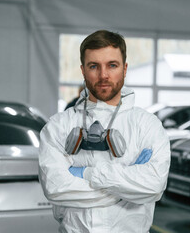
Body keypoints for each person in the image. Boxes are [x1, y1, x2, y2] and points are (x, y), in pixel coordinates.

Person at [38, 30, 170, 233]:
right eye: (94, 66)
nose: (103, 75)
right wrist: (127, 190)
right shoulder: (58, 126)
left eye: (112, 65)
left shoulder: (148, 126)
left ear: (125, 69)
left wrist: (85, 173)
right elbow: (56, 188)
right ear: (82, 70)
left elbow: (153, 186)